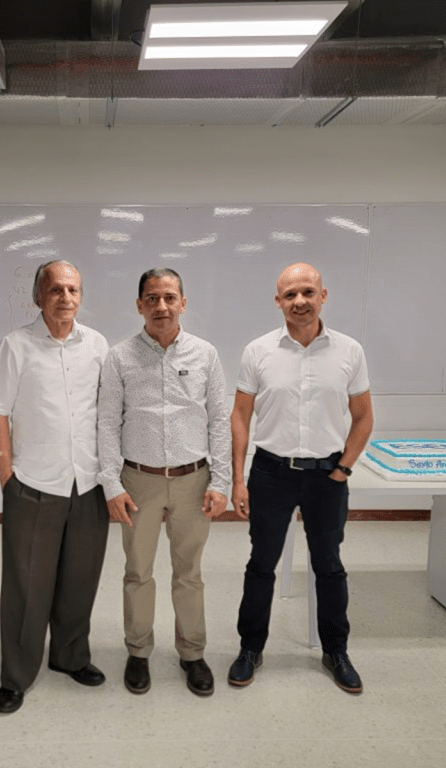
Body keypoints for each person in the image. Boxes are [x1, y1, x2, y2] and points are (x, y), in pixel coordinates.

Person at [227, 262, 373, 694]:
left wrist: (344, 467)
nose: (300, 301)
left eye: (308, 292)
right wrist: (238, 479)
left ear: (323, 296)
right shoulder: (258, 351)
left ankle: (336, 651)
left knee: (329, 566)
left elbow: (363, 417)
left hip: (327, 476)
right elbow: (240, 416)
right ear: (278, 301)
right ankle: (250, 648)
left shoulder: (349, 351)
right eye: (290, 294)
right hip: (271, 473)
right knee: (261, 564)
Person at [0, 261, 110, 715]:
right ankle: (16, 675)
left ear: (81, 296)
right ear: (39, 297)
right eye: (55, 289)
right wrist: (6, 474)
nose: (65, 298)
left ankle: (70, 657)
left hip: (88, 484)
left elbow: (107, 411)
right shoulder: (16, 346)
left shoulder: (97, 345)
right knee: (26, 587)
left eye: (73, 290)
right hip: (33, 484)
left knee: (80, 580)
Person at [97, 267, 230, 697]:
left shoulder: (205, 354)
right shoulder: (119, 357)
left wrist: (221, 481)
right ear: (139, 305)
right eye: (152, 298)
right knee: (138, 571)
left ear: (183, 303)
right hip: (139, 482)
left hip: (194, 480)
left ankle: (192, 653)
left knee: (189, 572)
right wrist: (111, 485)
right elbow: (106, 423)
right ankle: (138, 651)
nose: (161, 306)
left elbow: (219, 421)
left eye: (170, 297)